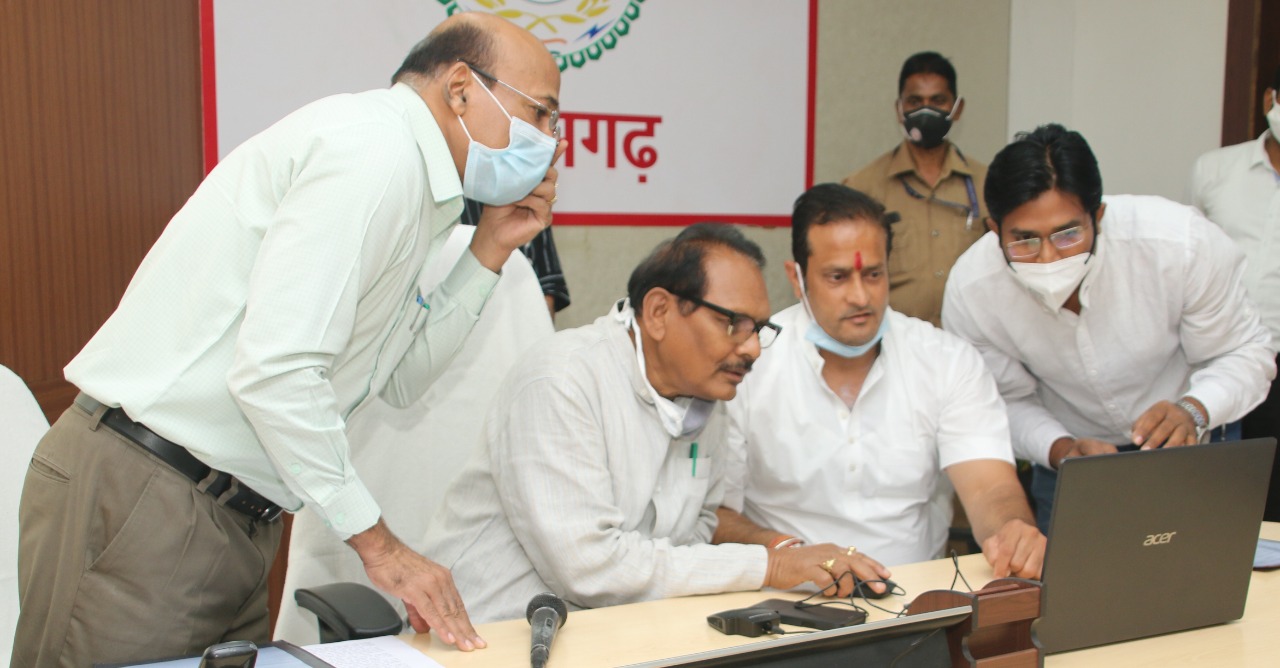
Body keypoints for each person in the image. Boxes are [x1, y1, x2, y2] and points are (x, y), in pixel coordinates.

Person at [14, 13, 566, 666]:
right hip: (150, 494)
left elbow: (398, 380)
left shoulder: (417, 186)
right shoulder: (374, 154)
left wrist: (490, 249)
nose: (549, 141)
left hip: (229, 515)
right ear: (461, 89)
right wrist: (381, 548)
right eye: (540, 113)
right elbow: (275, 373)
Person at [421, 223, 892, 623]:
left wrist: (780, 558)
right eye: (734, 323)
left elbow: (698, 527)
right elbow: (589, 567)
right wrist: (770, 565)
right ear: (659, 312)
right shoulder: (562, 380)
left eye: (759, 329)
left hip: (619, 632)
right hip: (490, 637)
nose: (751, 349)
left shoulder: (707, 397)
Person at [943, 124, 1275, 534]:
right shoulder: (973, 289)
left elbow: (1245, 353)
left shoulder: (1179, 245)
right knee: (1072, 574)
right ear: (995, 230)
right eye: (1024, 240)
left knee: (1207, 567)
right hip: (1073, 462)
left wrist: (1194, 409)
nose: (1048, 258)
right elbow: (999, 401)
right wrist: (1061, 448)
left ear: (1098, 216)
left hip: (1195, 442)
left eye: (1068, 234)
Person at [714, 184, 1044, 579]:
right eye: (837, 277)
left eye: (873, 274)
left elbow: (989, 488)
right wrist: (787, 555)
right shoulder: (748, 365)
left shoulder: (945, 360)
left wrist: (1011, 531)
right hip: (782, 597)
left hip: (916, 598)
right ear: (797, 279)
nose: (860, 297)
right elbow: (713, 515)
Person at [1189, 66, 1280, 522]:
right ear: (1270, 100)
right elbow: (1192, 257)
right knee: (1225, 502)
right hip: (1225, 360)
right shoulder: (1216, 169)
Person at [843, 51, 986, 327]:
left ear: (957, 109)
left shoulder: (986, 184)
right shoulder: (863, 188)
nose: (926, 110)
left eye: (938, 101)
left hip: (971, 340)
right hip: (894, 342)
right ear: (899, 110)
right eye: (915, 101)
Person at [461, 197, 571, 318]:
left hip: (521, 319)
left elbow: (548, 285)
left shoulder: (526, 197)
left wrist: (538, 328)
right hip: (464, 318)